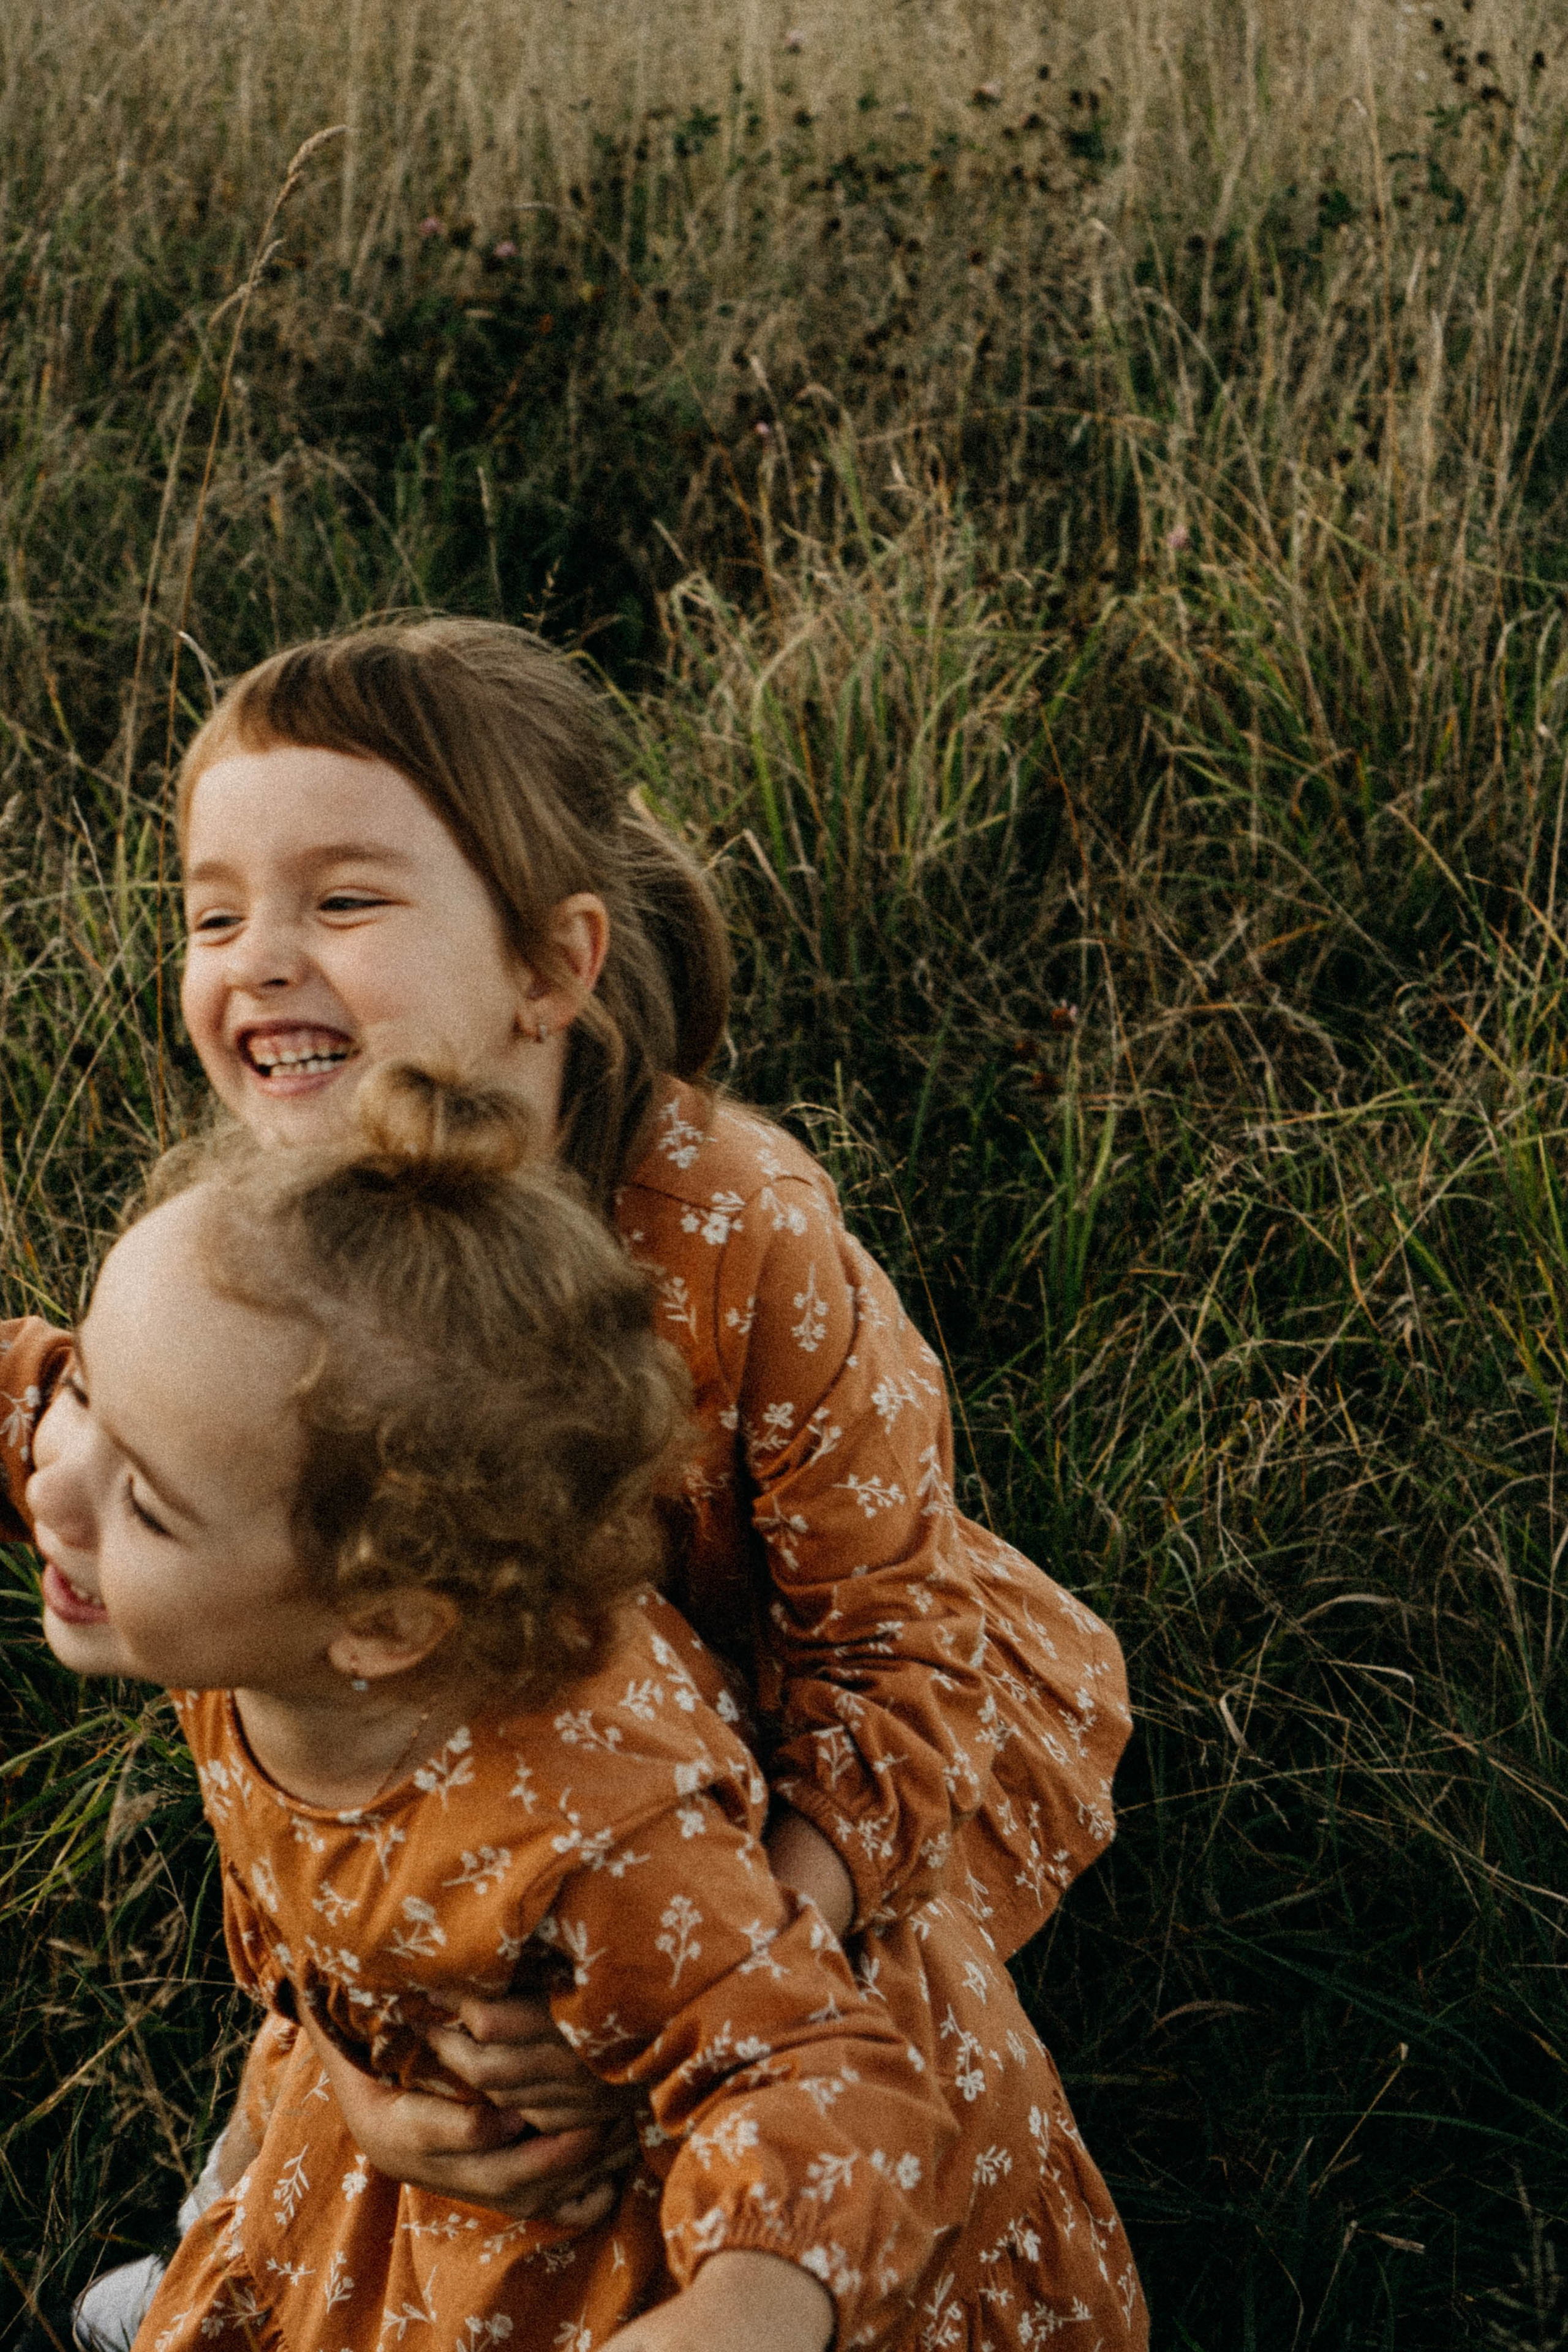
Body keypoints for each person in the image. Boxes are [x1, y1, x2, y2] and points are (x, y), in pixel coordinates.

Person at [15, 617, 1140, 2342]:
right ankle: (282, 2198)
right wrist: (360, 2064)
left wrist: (753, 1920)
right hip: (419, 1766)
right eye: (214, 911)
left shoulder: (733, 1225)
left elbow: (893, 1640)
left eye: (343, 902)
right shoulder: (262, 1249)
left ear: (552, 967)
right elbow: (63, 1407)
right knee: (423, 2060)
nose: (259, 960)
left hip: (769, 1771)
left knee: (759, 2045)